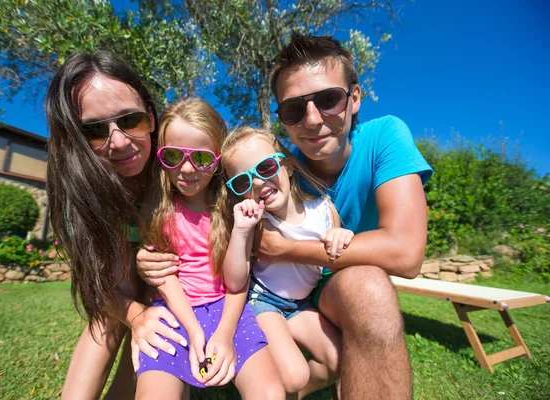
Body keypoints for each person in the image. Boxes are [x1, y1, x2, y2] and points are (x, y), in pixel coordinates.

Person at [138, 32, 433, 399]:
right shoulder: (271, 174)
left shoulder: (384, 137)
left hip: (330, 284)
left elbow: (406, 253)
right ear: (282, 117)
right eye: (294, 108)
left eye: (328, 99)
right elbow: (212, 218)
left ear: (354, 98)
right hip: (283, 297)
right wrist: (149, 256)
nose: (312, 119)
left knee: (367, 288)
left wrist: (284, 249)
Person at [45, 50, 186, 399]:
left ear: (151, 117)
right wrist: (135, 316)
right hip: (118, 283)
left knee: (158, 306)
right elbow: (99, 284)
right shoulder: (81, 191)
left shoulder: (178, 163)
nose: (119, 142)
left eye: (130, 120)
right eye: (94, 130)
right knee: (114, 312)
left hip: (172, 280)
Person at [135, 98, 284, 399]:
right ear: (161, 156)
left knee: (270, 393)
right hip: (175, 312)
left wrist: (225, 333)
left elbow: (239, 282)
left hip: (230, 310)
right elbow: (166, 277)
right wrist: (194, 330)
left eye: (201, 158)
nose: (187, 169)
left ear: (217, 160)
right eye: (173, 155)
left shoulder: (234, 209)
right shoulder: (157, 209)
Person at [219, 127, 347, 398]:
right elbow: (234, 277)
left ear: (287, 165)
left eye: (266, 167)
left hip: (301, 305)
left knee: (336, 361)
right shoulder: (257, 224)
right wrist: (242, 231)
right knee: (294, 375)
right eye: (243, 181)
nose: (256, 183)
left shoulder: (323, 209)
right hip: (263, 301)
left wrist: (341, 235)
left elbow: (338, 265)